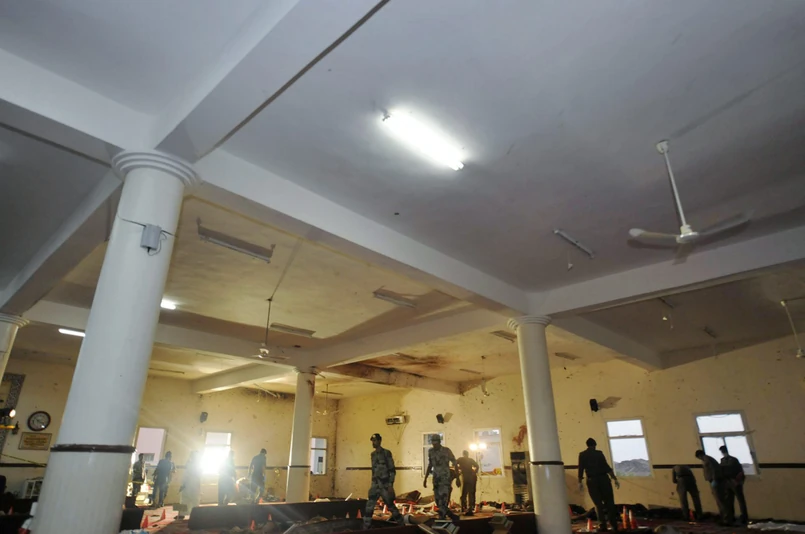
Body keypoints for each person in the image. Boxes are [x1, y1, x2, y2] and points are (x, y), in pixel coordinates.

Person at [578, 438, 620, 531]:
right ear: (595, 444)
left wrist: (579, 481)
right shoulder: (599, 454)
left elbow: (581, 469)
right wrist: (614, 478)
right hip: (603, 479)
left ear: (587, 445)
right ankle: (614, 525)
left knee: (598, 504)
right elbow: (606, 466)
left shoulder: (582, 455)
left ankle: (602, 526)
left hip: (591, 481)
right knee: (609, 503)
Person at [364, 433, 404, 527]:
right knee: (369, 507)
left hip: (384, 485)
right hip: (375, 484)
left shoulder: (386, 453)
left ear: (379, 441)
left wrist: (390, 485)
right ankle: (365, 527)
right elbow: (373, 470)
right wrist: (372, 484)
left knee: (391, 506)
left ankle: (402, 525)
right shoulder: (373, 455)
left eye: (375, 441)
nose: (373, 443)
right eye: (372, 441)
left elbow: (392, 470)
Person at [423, 435, 460, 523]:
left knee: (443, 499)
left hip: (445, 478)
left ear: (439, 442)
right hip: (436, 478)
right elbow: (430, 465)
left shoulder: (446, 451)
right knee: (437, 500)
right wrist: (425, 478)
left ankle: (442, 517)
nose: (434, 445)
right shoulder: (431, 451)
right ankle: (451, 515)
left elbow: (455, 463)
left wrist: (458, 478)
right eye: (433, 443)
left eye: (435, 443)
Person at [695, 450, 733, 524]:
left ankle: (727, 519)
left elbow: (714, 469)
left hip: (716, 481)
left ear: (700, 455)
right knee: (719, 501)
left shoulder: (707, 459)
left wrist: (715, 479)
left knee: (720, 500)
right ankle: (724, 518)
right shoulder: (708, 459)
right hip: (714, 481)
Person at [719, 446, 747, 524]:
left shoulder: (734, 460)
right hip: (727, 482)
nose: (723, 452)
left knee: (740, 500)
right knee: (729, 500)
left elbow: (740, 471)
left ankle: (744, 517)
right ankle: (731, 517)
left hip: (735, 481)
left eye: (723, 451)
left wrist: (738, 481)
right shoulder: (722, 460)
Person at [455, 450, 479, 515]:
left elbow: (454, 464)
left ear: (463, 454)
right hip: (471, 477)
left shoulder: (460, 459)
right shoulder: (470, 460)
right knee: (471, 493)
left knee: (464, 493)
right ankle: (470, 507)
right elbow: (477, 466)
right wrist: (475, 472)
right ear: (468, 454)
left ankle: (464, 507)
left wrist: (458, 473)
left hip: (465, 477)